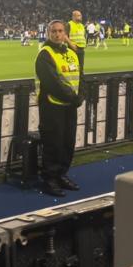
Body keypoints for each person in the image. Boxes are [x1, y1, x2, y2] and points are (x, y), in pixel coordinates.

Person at [35, 20, 83, 197]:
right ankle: (50, 180)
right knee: (53, 143)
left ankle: (61, 174)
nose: (57, 34)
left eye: (60, 31)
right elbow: (52, 83)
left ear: (65, 34)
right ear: (49, 33)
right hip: (51, 106)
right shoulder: (44, 54)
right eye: (53, 31)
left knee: (67, 142)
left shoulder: (71, 53)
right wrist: (74, 98)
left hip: (69, 106)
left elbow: (80, 75)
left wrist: (80, 95)